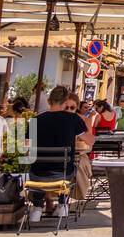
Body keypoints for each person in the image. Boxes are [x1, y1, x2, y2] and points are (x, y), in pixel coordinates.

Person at [28, 86, 94, 222]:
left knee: (37, 169)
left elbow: (26, 147)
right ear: (65, 102)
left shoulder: (35, 120)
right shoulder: (74, 119)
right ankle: (63, 203)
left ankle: (37, 207)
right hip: (62, 174)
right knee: (72, 166)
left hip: (37, 174)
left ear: (48, 100)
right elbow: (90, 141)